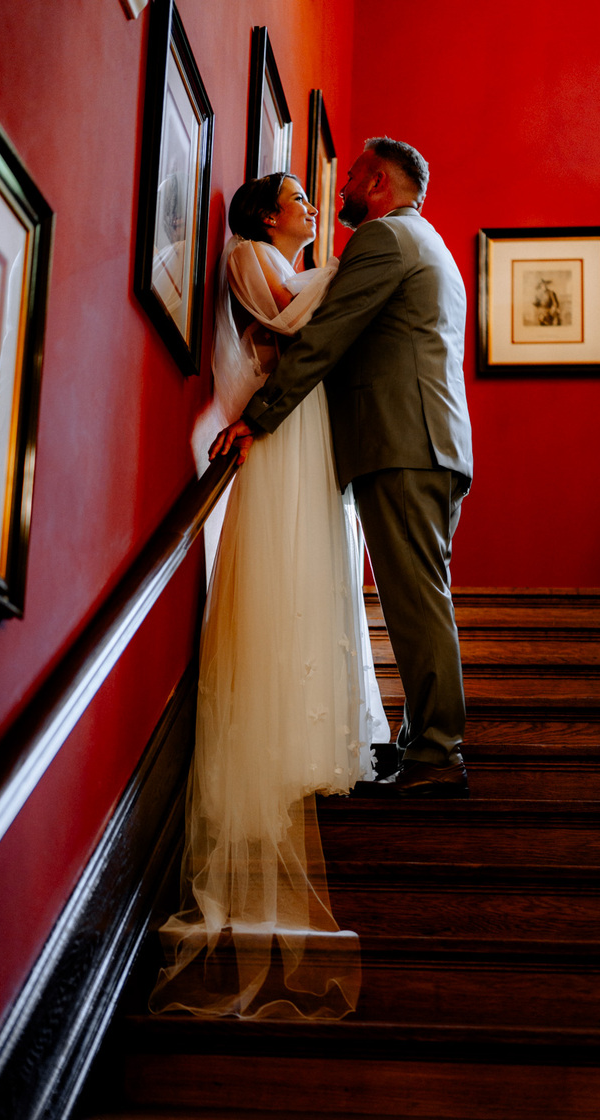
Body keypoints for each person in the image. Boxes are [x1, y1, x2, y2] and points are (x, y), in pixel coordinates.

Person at [150, 172, 389, 1021]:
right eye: (299, 197)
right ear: (264, 214)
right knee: (278, 582)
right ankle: (272, 741)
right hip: (278, 438)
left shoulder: (290, 259)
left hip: (307, 432)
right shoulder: (251, 256)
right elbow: (292, 323)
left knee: (317, 577)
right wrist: (344, 275)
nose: (313, 207)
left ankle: (309, 728)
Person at [212, 137, 473, 799]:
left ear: (380, 181)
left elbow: (327, 336)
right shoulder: (430, 243)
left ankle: (437, 755)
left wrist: (259, 415)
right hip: (427, 443)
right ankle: (422, 743)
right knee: (419, 594)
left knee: (416, 599)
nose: (343, 191)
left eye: (353, 176)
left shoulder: (386, 240)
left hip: (403, 443)